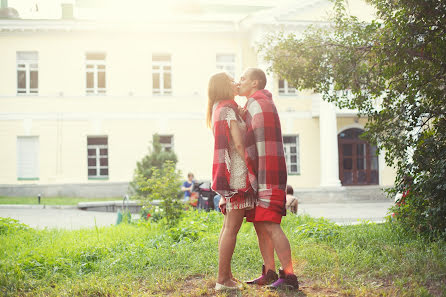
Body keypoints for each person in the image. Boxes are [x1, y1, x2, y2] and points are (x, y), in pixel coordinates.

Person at [239, 68, 299, 290]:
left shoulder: (259, 102)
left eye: (243, 78)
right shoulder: (254, 103)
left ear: (255, 82)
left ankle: (290, 277)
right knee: (260, 225)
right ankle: (270, 272)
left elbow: (244, 137)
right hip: (262, 173)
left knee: (271, 225)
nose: (239, 81)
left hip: (269, 174)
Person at [207, 72, 255, 291]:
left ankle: (225, 276)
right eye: (230, 81)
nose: (235, 83)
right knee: (231, 228)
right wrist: (253, 168)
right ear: (222, 87)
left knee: (228, 226)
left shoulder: (222, 108)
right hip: (237, 173)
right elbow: (237, 144)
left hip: (231, 171)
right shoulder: (227, 110)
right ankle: (222, 280)